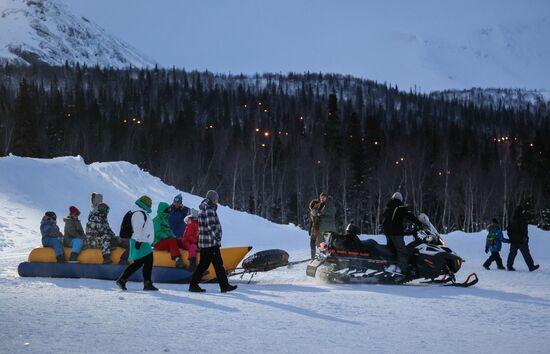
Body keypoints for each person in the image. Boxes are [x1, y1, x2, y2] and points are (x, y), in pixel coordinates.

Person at [189, 190, 237, 293]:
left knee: (203, 265)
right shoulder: (209, 209)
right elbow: (211, 225)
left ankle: (193, 285)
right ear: (212, 199)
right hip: (211, 243)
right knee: (218, 264)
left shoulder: (204, 207)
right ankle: (224, 286)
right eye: (216, 199)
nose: (217, 201)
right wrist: (218, 237)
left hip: (205, 243)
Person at [116, 195, 158, 291]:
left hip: (141, 241)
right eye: (149, 204)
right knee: (148, 261)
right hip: (140, 241)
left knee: (138, 263)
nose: (150, 206)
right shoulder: (138, 213)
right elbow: (137, 229)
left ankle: (122, 279)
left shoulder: (141, 212)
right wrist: (138, 241)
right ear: (145, 204)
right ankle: (147, 283)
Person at [381, 192, 423, 275]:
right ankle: (403, 270)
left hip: (388, 233)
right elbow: (409, 216)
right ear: (400, 199)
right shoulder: (400, 207)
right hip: (396, 233)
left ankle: (392, 267)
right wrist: (420, 224)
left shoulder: (388, 207)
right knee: (402, 251)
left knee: (392, 251)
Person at [506, 206, 540, 272]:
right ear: (521, 211)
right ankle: (531, 266)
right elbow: (524, 229)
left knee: (512, 253)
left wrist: (510, 237)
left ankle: (509, 266)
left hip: (513, 240)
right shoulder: (522, 218)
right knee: (526, 253)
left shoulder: (512, 219)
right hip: (521, 240)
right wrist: (525, 237)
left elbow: (508, 229)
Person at [153, 201, 185, 268]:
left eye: (169, 209)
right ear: (162, 210)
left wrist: (175, 238)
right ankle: (177, 259)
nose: (169, 211)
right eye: (167, 209)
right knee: (171, 241)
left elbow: (170, 232)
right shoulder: (156, 220)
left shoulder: (166, 220)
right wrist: (168, 237)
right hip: (158, 242)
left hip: (166, 240)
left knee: (178, 241)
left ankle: (190, 253)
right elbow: (158, 233)